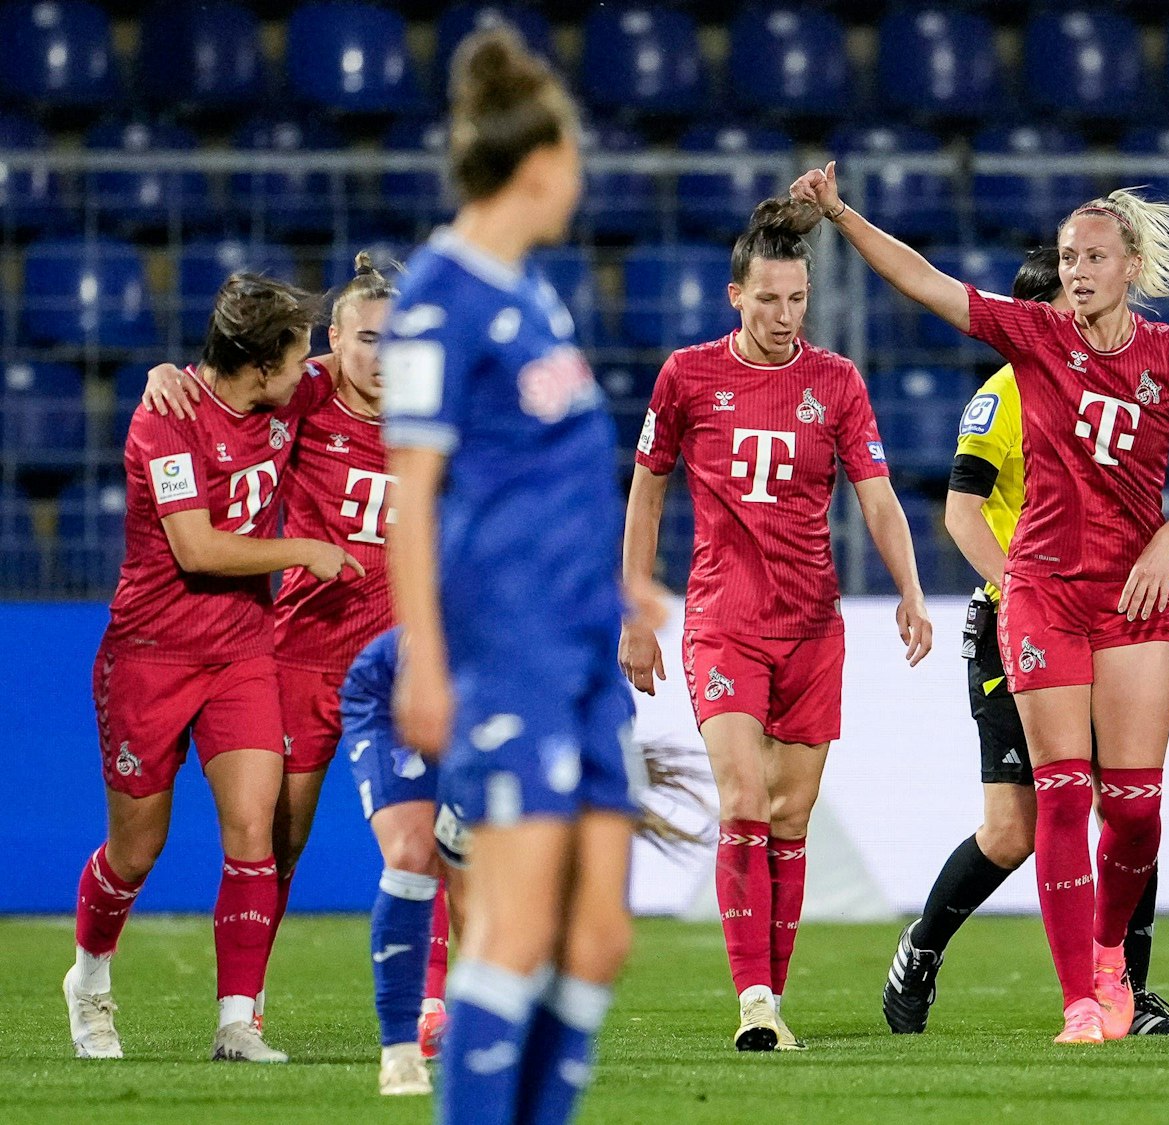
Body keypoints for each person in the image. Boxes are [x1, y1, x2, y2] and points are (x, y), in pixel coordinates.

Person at [793, 165, 1169, 1045]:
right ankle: (1084, 1001)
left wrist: (1167, 538)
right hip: (1039, 594)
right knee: (1059, 801)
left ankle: (1112, 960)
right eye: (1069, 255)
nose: (1077, 270)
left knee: (1137, 808)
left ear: (1131, 264)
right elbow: (926, 281)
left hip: (1131, 598)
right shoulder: (1032, 337)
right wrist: (841, 214)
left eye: (1094, 256)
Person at [379, 27, 662, 1124]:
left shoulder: (533, 291)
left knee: (597, 940)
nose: (581, 181)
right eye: (576, 159)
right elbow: (415, 493)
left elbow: (542, 476)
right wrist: (428, 665)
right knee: (516, 927)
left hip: (584, 640)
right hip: (511, 655)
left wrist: (612, 584)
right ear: (538, 164)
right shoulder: (438, 298)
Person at [618, 196, 934, 1052]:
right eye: (767, 299)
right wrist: (637, 608)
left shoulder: (836, 382)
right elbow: (646, 491)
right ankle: (753, 997)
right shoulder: (687, 376)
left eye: (795, 300)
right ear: (735, 296)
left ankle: (770, 1001)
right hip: (723, 619)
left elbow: (876, 495)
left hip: (812, 625)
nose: (783, 315)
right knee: (745, 800)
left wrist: (908, 588)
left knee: (791, 816)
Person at [883, 248, 1169, 1037]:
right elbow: (961, 513)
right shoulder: (1001, 395)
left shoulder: (1123, 376)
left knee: (1126, 802)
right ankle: (922, 947)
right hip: (1018, 620)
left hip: (1099, 611)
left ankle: (1123, 988)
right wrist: (1018, 591)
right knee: (1013, 829)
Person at [138, 255, 453, 1056]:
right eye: (366, 341)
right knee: (275, 842)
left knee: (425, 840)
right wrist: (165, 372)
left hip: (397, 664)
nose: (382, 358)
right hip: (301, 657)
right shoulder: (302, 395)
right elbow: (226, 388)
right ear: (334, 342)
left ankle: (433, 1007)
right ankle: (246, 1007)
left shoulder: (436, 413)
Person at [64, 274, 362, 1064]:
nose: (314, 370)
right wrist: (304, 549)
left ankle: (237, 1022)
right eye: (300, 358)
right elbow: (197, 550)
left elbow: (351, 366)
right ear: (259, 367)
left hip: (242, 653)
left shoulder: (282, 394)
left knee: (254, 832)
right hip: (151, 655)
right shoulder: (165, 423)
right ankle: (89, 981)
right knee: (135, 851)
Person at [339, 626, 459, 1095]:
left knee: (473, 868)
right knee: (413, 851)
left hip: (497, 690)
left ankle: (477, 1029)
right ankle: (401, 1051)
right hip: (400, 682)